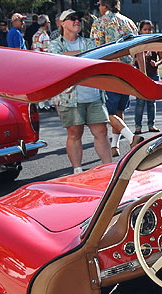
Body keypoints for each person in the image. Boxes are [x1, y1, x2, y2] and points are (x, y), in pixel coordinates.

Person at [49, 9, 112, 174]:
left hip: (93, 96)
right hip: (69, 98)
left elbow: (96, 58)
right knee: (75, 133)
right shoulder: (56, 44)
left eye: (78, 19)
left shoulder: (88, 42)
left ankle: (108, 168)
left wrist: (74, 57)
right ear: (62, 23)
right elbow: (57, 60)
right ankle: (78, 170)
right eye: (72, 19)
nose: (77, 21)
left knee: (102, 131)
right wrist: (83, 56)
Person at [90, 0, 141, 157]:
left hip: (108, 72)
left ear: (104, 5)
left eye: (99, 4)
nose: (98, 7)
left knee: (107, 111)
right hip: (126, 72)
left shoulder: (100, 23)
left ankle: (131, 137)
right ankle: (115, 145)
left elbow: (95, 49)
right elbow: (139, 49)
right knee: (119, 110)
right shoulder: (130, 22)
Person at [134, 20, 162, 134]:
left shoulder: (155, 43)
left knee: (152, 101)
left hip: (154, 75)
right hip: (140, 76)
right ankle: (138, 126)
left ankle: (151, 124)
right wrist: (138, 59)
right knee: (140, 102)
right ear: (140, 31)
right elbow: (131, 59)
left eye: (149, 29)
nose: (147, 32)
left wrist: (156, 63)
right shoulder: (137, 43)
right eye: (145, 29)